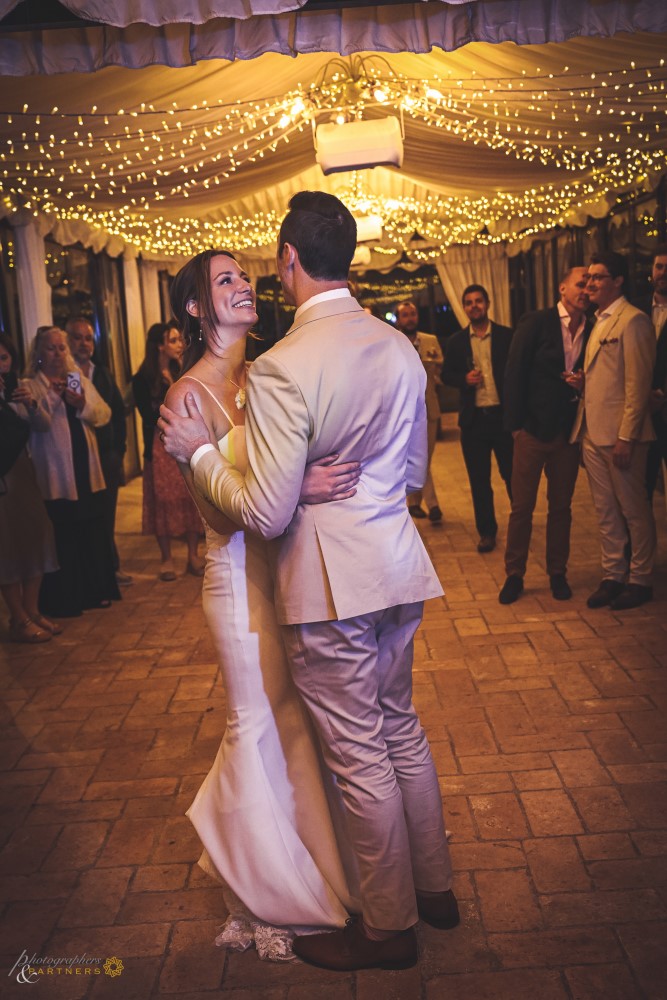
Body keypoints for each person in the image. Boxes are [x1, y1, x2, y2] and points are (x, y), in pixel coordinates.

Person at [159, 191, 458, 973]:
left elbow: (262, 510)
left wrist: (198, 454)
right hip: (396, 566)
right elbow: (418, 471)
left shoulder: (286, 365)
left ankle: (389, 930)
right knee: (402, 729)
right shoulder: (397, 347)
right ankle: (435, 891)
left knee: (359, 754)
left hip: (330, 586)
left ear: (288, 260)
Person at [161, 248, 363, 960]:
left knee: (294, 721)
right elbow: (216, 519)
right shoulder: (186, 397)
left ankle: (310, 861)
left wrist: (297, 482)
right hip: (238, 578)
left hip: (287, 571)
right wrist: (297, 488)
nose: (243, 285)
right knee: (258, 722)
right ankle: (275, 891)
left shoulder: (266, 372)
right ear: (194, 308)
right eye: (225, 281)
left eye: (245, 276)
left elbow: (277, 477)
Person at [499, 267, 593, 604]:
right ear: (562, 287)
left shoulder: (594, 326)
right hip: (532, 430)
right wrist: (515, 426)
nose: (586, 289)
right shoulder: (536, 321)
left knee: (561, 508)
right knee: (522, 507)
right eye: (581, 283)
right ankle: (514, 574)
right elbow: (514, 371)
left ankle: (558, 572)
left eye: (590, 284)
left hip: (568, 432)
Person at [571, 251, 656, 610]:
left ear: (618, 281)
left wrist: (627, 437)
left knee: (634, 509)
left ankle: (641, 578)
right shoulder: (599, 320)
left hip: (622, 436)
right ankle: (612, 574)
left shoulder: (633, 321)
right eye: (588, 278)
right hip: (592, 430)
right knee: (605, 510)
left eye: (598, 278)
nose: (590, 284)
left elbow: (637, 386)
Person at [25, 327, 121, 617]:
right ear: (39, 354)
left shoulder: (77, 379)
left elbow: (104, 414)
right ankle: (68, 598)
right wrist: (55, 398)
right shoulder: (31, 385)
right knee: (63, 535)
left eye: (61, 348)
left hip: (85, 468)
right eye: (51, 348)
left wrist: (82, 405)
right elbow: (39, 424)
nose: (58, 354)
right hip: (56, 473)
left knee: (91, 529)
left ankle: (96, 591)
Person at [441, 284, 514, 552]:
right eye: (469, 302)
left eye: (478, 301)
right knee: (479, 482)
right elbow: (447, 375)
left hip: (504, 419)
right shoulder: (456, 341)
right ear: (464, 307)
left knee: (513, 477)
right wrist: (464, 380)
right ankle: (487, 532)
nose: (474, 306)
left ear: (488, 303)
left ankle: (520, 525)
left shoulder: (507, 336)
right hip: (474, 423)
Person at [132, 322, 204, 580]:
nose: (179, 345)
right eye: (173, 340)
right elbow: (146, 415)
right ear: (159, 345)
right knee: (163, 500)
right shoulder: (142, 378)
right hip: (159, 445)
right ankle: (166, 559)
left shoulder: (183, 370)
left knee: (190, 496)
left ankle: (194, 555)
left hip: (185, 441)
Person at [0, 332, 59, 642]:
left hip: (24, 473)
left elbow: (43, 426)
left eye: (4, 358)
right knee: (8, 547)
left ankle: (33, 610)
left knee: (37, 536)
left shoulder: (18, 389)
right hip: (3, 479)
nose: (1, 365)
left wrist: (33, 404)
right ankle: (18, 617)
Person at [66, 316, 132, 586]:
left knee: (107, 514)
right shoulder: (65, 376)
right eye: (77, 337)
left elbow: (117, 413)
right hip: (76, 459)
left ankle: (110, 568)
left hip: (105, 456)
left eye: (88, 338)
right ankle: (89, 572)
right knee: (84, 515)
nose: (84, 343)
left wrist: (118, 451)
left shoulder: (101, 373)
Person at [395, 299, 444, 523]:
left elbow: (440, 369)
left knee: (425, 456)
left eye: (412, 314)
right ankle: (433, 505)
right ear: (398, 319)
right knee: (417, 457)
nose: (410, 318)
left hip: (429, 407)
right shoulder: (392, 341)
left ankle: (414, 503)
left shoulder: (430, 340)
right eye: (405, 315)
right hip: (402, 411)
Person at [634, 244, 667, 501]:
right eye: (659, 266)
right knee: (639, 489)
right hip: (641, 412)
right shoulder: (634, 309)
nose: (663, 272)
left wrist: (662, 393)